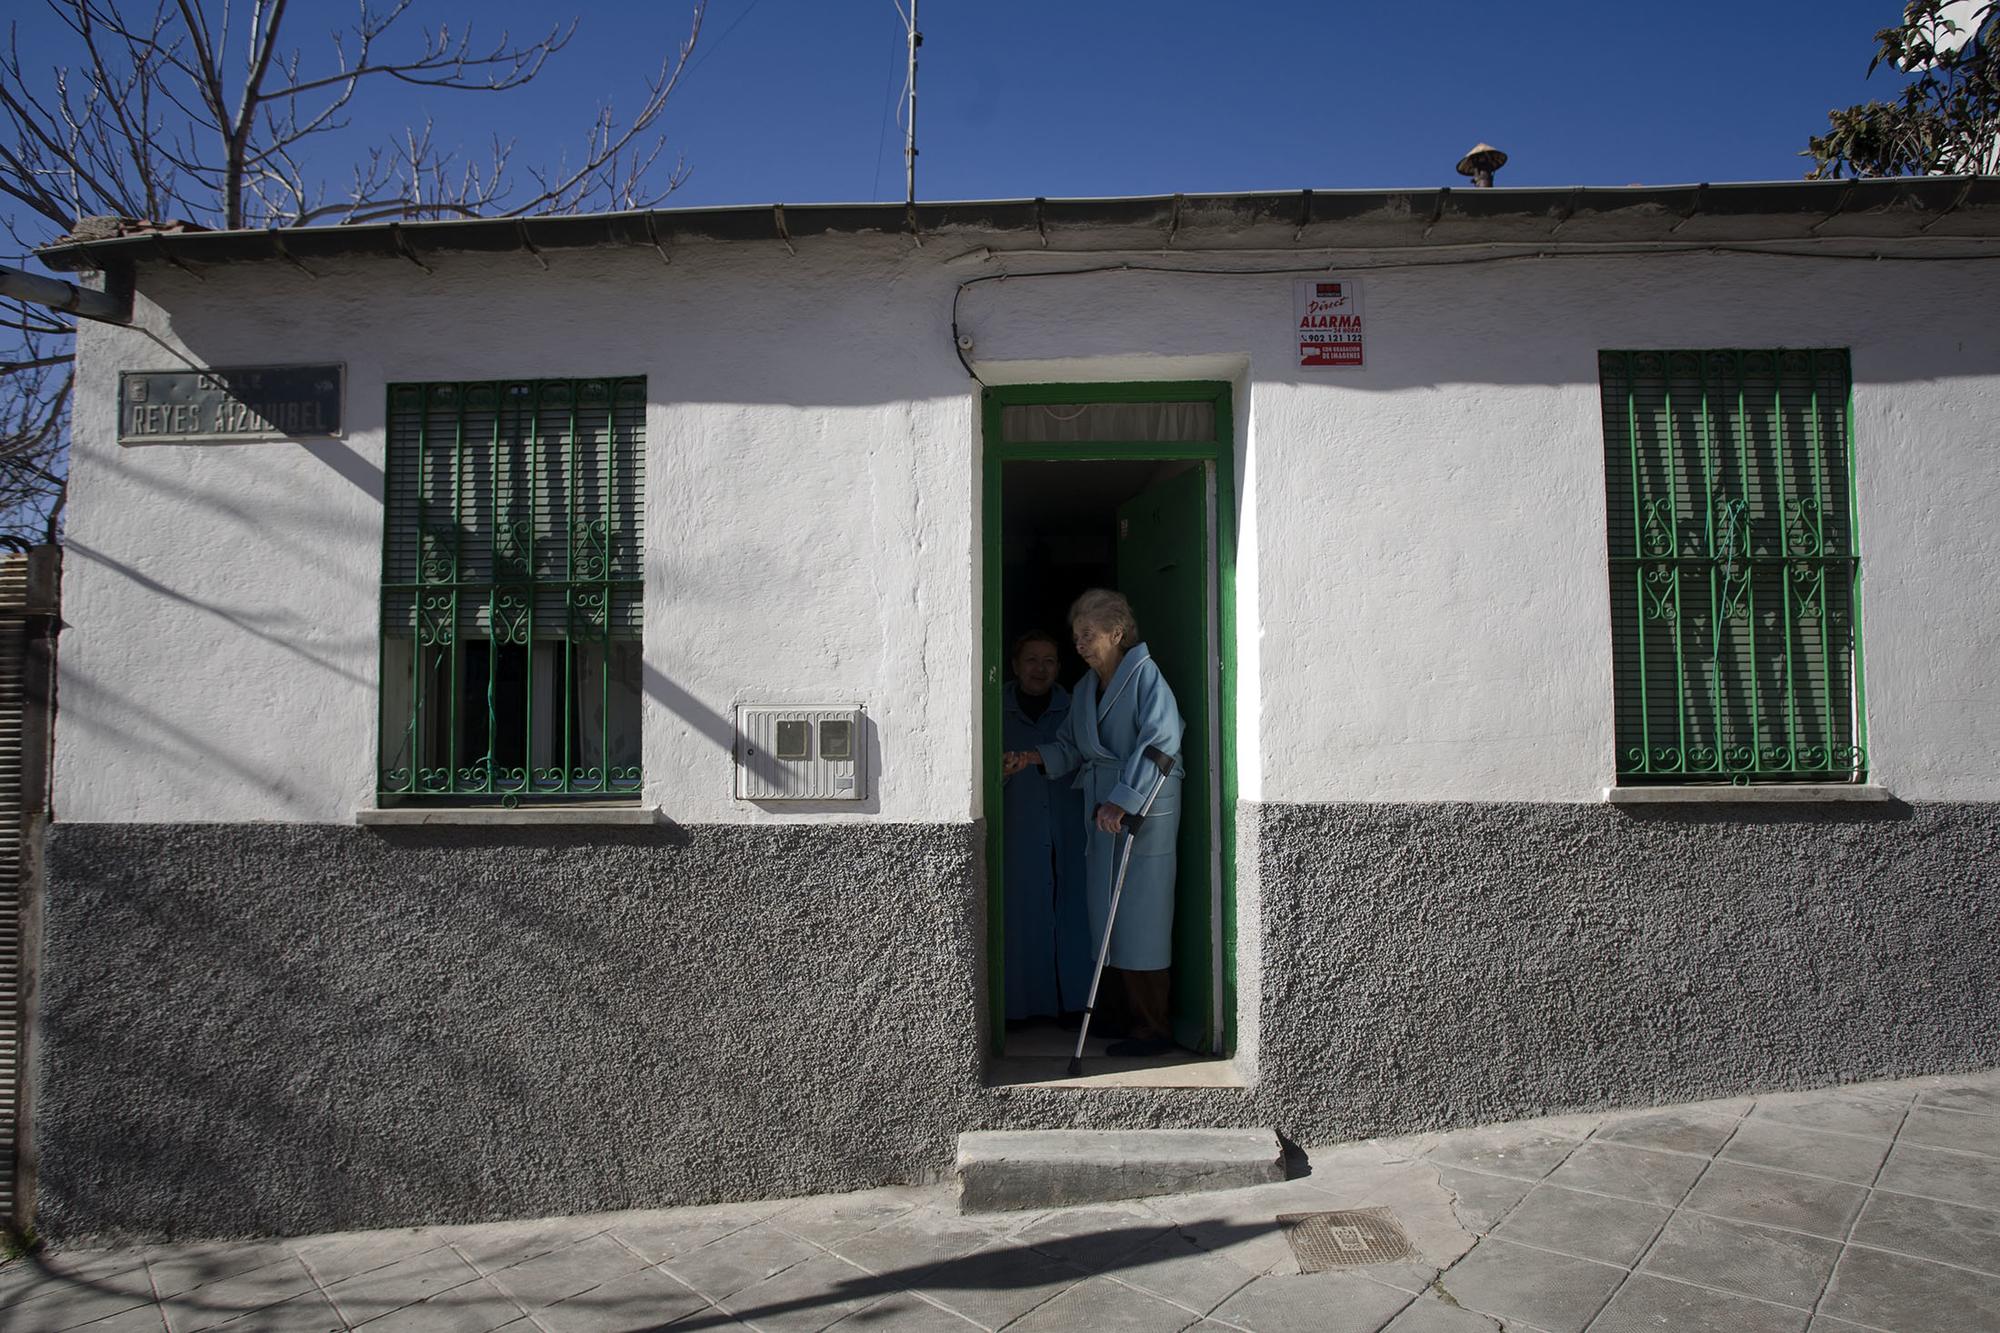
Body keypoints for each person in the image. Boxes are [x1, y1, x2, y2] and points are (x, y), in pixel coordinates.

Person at [1003, 588, 1184, 1056]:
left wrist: (1123, 800)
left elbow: (1161, 743)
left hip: (1144, 809)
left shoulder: (1146, 678)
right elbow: (1070, 746)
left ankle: (1152, 1027)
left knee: (1141, 913)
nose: (1079, 644)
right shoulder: (1085, 688)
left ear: (1116, 633)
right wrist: (1030, 757)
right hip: (1102, 810)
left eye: (1088, 634)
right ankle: (1118, 1014)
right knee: (1105, 912)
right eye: (1077, 635)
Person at [1000, 630, 1091, 1022]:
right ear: (1016, 666)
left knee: (1075, 912)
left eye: (1049, 661)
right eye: (1032, 660)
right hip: (1018, 827)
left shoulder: (1075, 707)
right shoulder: (993, 708)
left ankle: (1075, 1005)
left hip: (1069, 825)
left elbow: (1087, 754)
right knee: (1020, 913)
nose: (1040, 669)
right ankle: (1020, 1008)